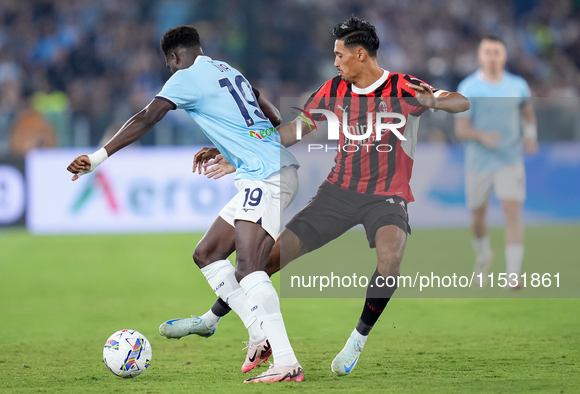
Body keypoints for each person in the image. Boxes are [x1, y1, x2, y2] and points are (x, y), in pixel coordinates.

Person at [162, 16, 470, 376]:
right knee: (266, 260)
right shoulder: (334, 90)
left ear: (360, 54)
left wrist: (436, 100)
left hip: (387, 195)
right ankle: (211, 319)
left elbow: (460, 103)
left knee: (390, 260)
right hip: (337, 193)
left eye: (340, 55)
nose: (335, 62)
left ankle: (357, 339)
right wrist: (237, 153)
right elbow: (292, 131)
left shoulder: (403, 87)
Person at [66, 25, 304, 383]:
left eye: (169, 66)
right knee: (207, 253)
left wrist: (98, 157)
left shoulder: (184, 76)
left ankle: (286, 361)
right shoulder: (227, 69)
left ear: (174, 57)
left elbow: (147, 117)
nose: (171, 74)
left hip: (265, 175)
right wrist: (229, 146)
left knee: (250, 269)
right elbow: (270, 115)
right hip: (270, 169)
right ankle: (258, 333)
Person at [455, 35, 538, 288]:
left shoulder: (518, 85)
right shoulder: (468, 88)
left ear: (504, 56)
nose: (492, 57)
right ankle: (483, 255)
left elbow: (527, 113)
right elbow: (461, 130)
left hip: (510, 159)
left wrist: (531, 136)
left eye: (497, 52)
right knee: (478, 218)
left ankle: (513, 274)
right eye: (488, 52)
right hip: (479, 162)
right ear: (481, 56)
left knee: (512, 212)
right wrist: (481, 135)